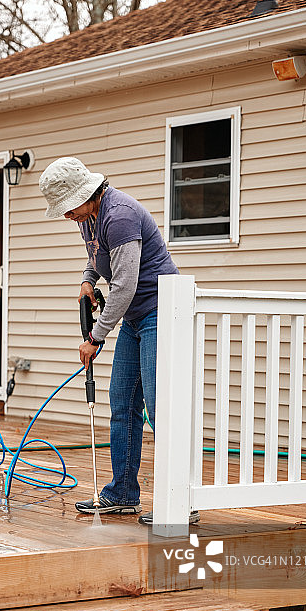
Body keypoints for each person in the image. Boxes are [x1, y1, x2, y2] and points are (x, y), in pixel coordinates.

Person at [39, 156, 199, 525]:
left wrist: (95, 337)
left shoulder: (121, 215)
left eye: (68, 208)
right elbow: (98, 260)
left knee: (162, 410)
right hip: (134, 316)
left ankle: (181, 504)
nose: (67, 216)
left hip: (162, 311)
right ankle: (123, 494)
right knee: (123, 403)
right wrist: (86, 281)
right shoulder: (89, 217)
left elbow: (125, 283)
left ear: (87, 193)